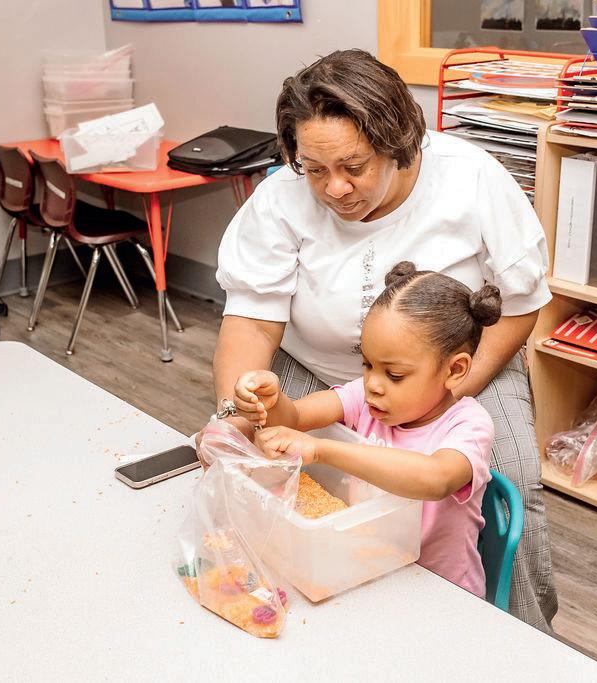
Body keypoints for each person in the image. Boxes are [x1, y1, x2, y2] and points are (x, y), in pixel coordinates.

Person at [212, 48, 557, 629]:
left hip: (453, 368)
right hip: (318, 369)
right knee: (266, 464)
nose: (335, 188)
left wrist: (440, 398)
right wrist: (239, 407)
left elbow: (521, 305)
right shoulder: (280, 198)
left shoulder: (471, 178)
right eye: (314, 169)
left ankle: (523, 636)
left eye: (354, 166)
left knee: (511, 484)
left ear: (398, 142)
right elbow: (251, 318)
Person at [234, 262, 498, 597]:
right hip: (363, 572)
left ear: (455, 370)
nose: (373, 383)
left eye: (394, 375)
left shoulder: (468, 425)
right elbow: (295, 419)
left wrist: (322, 450)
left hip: (437, 594)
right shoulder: (364, 397)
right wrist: (270, 400)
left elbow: (435, 479)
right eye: (368, 364)